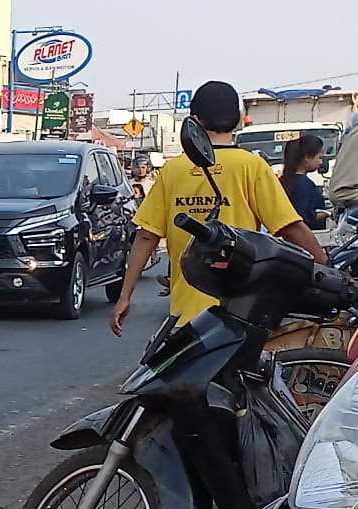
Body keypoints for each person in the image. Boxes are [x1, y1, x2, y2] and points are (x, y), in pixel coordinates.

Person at [110, 81, 327, 337]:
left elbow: (147, 235)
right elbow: (290, 228)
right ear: (238, 120)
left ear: (194, 120)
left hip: (185, 317)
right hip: (239, 315)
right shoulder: (251, 166)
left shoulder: (173, 170)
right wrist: (327, 268)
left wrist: (125, 296)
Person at [281, 134, 330, 234]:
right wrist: (329, 213)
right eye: (319, 157)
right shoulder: (303, 185)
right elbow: (306, 217)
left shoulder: (286, 180)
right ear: (307, 157)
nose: (321, 162)